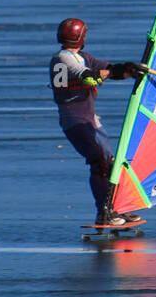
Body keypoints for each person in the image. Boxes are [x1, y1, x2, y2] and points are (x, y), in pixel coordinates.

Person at [49, 18, 142, 225]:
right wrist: (110, 72)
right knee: (99, 162)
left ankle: (118, 209)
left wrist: (130, 70)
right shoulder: (63, 59)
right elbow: (90, 77)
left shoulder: (82, 57)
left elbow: (110, 70)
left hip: (91, 121)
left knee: (112, 164)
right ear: (81, 37)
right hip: (75, 122)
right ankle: (105, 213)